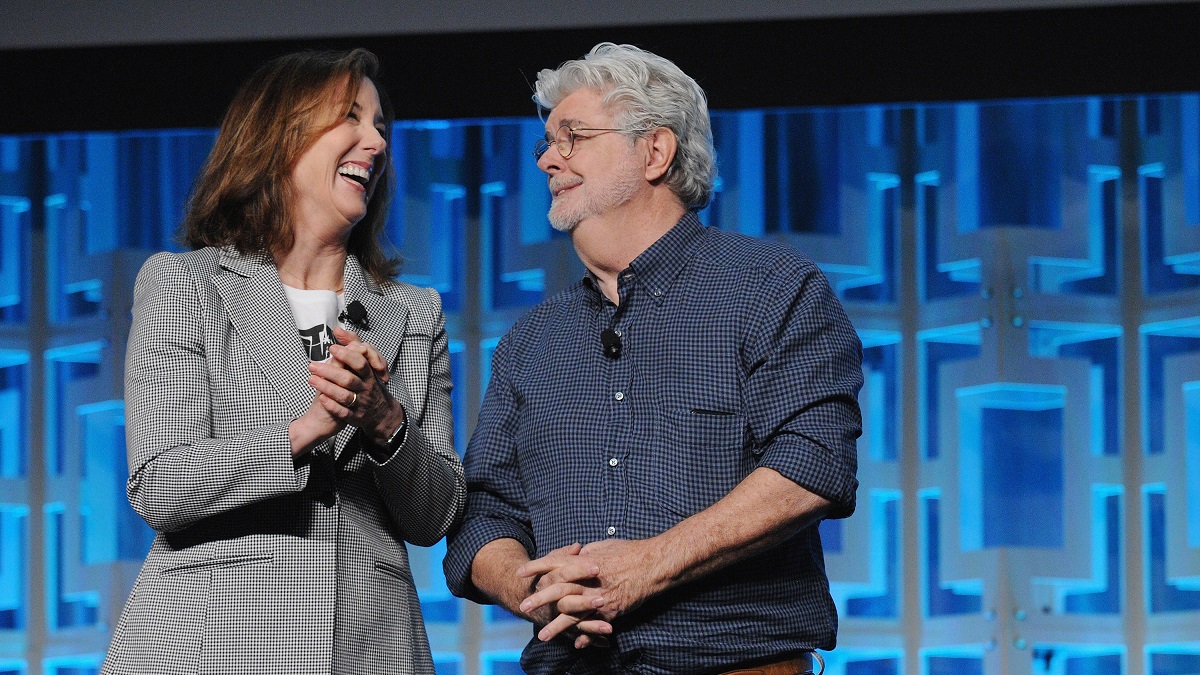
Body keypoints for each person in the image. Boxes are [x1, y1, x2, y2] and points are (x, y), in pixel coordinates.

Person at [443, 42, 863, 675]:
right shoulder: (531, 342)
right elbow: (482, 514)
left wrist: (646, 566)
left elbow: (813, 462)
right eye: (546, 144)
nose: (548, 160)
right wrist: (537, 591)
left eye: (573, 137)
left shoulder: (771, 288)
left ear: (655, 152)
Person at [102, 49, 465, 675]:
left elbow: (434, 513)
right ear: (278, 135)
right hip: (209, 636)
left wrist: (384, 422)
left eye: (381, 126)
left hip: (366, 641)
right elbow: (160, 484)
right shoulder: (188, 286)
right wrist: (304, 431)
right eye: (350, 117)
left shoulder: (411, 311)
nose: (374, 142)